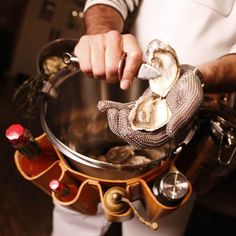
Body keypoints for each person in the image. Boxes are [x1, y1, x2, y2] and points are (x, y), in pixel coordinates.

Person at [52, 0, 236, 236]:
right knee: (74, 221)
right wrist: (104, 33)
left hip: (190, 127)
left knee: (158, 226)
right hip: (120, 86)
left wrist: (197, 77)